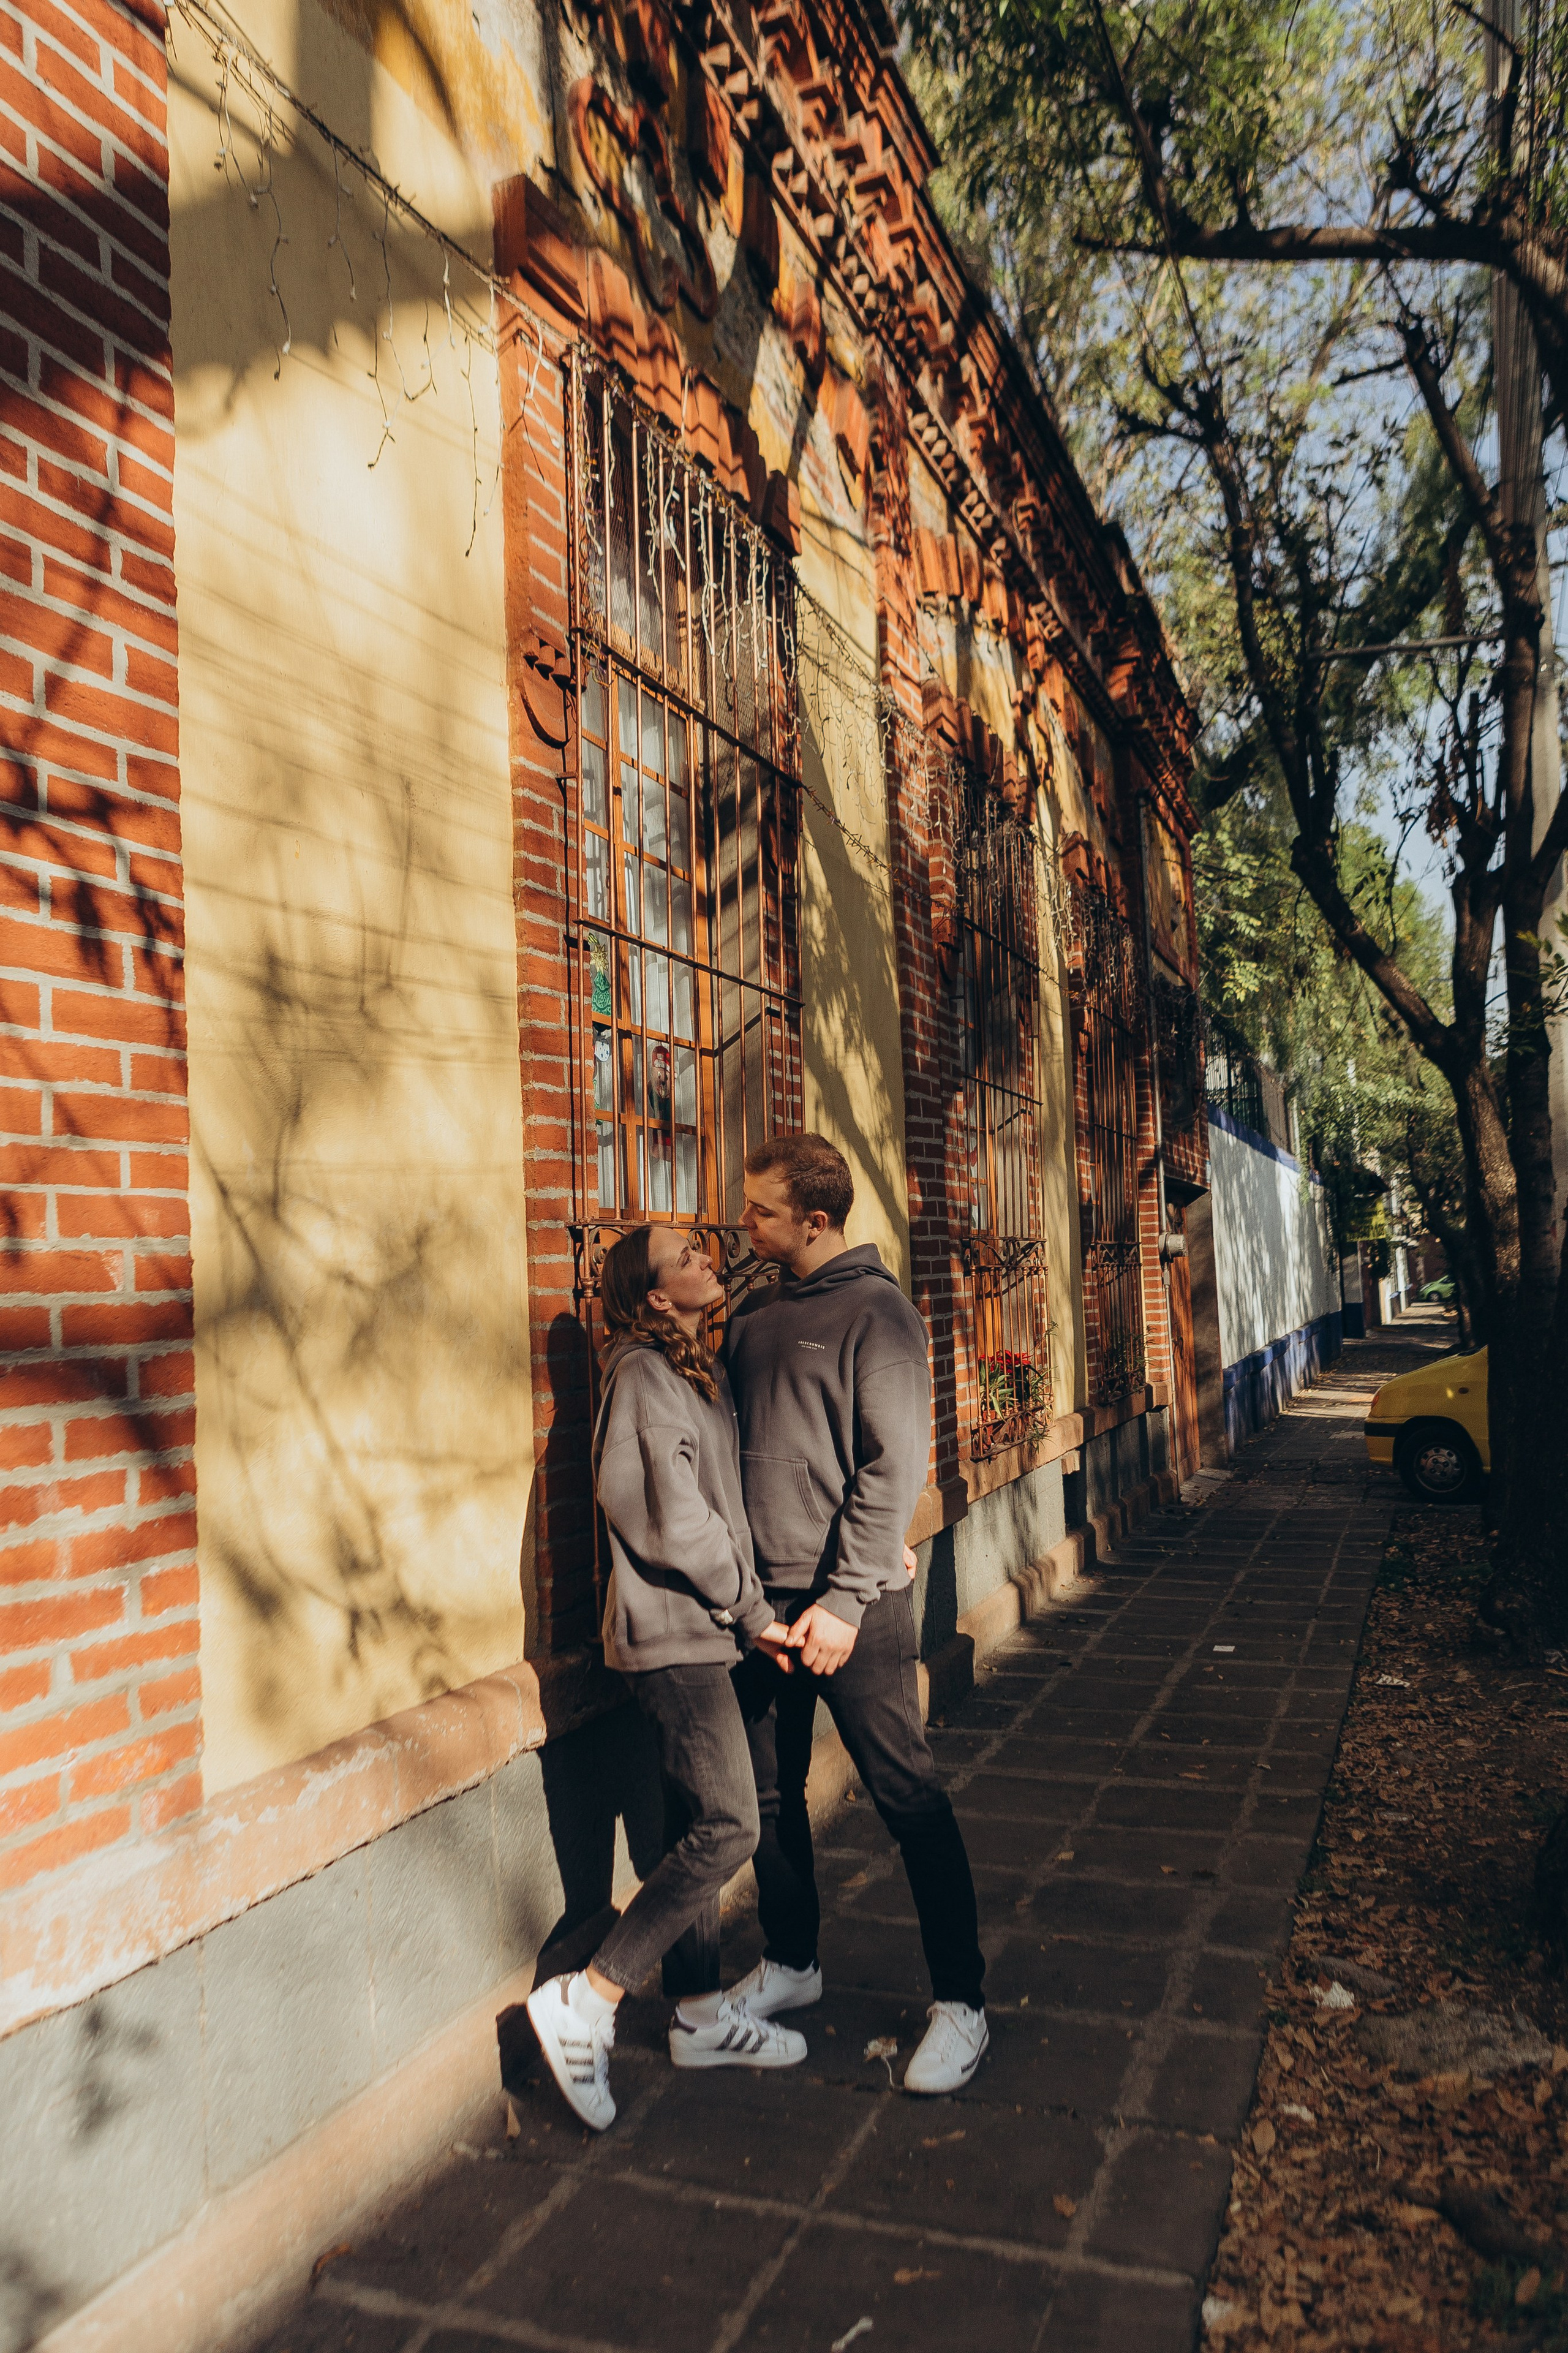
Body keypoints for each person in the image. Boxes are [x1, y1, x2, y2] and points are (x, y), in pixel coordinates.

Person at [722, 1133, 990, 2093]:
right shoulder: (752, 1317)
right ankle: (792, 1965)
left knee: (906, 1795)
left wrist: (846, 1593)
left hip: (852, 1611)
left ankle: (963, 2002)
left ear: (815, 1219)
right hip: (759, 1610)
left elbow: (893, 1464)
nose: (743, 1221)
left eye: (759, 1209)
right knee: (767, 1799)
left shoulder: (881, 1314)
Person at [526, 1225, 809, 2131]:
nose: (707, 1262)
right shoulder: (644, 1375)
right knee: (733, 1822)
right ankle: (590, 1998)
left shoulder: (692, 1369)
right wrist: (754, 1610)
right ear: (653, 1297)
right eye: (686, 1257)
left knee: (692, 1822)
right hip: (676, 1640)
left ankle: (695, 2013)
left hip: (705, 1633)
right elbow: (670, 1518)